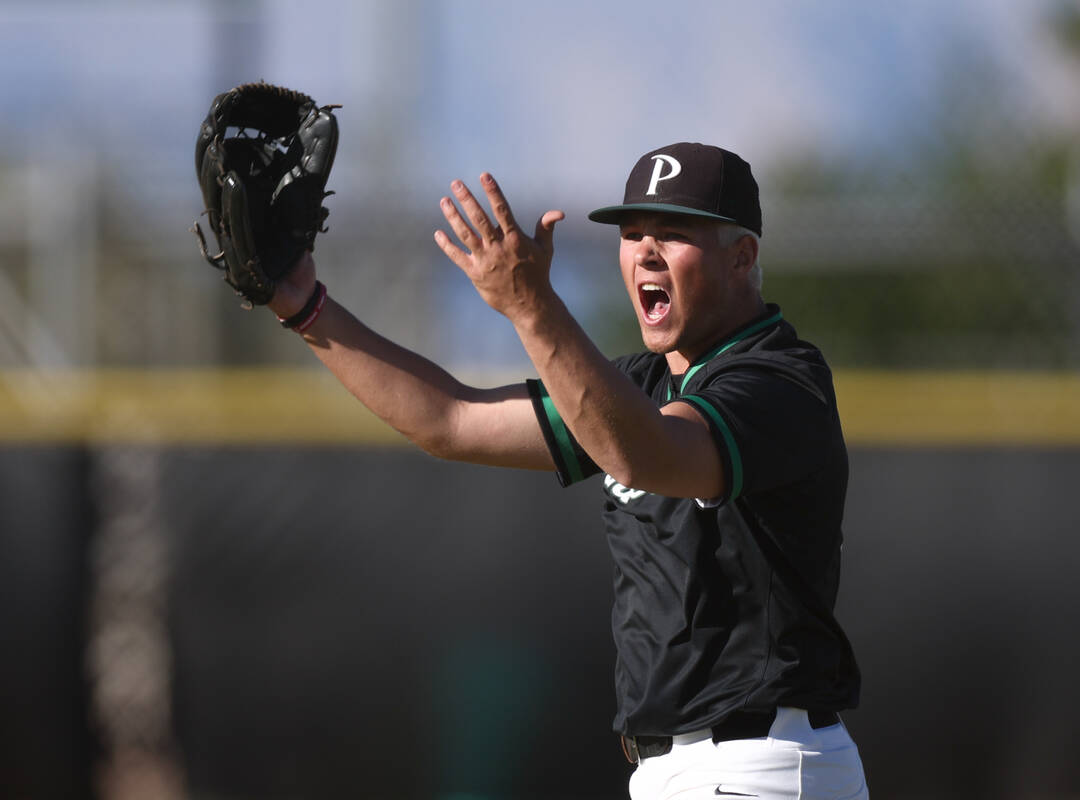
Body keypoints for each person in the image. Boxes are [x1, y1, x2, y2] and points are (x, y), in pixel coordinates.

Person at [267, 142, 868, 800]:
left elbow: (650, 453)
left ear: (742, 257)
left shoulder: (778, 379)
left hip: (758, 766)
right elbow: (450, 420)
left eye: (673, 233)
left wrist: (531, 308)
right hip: (687, 771)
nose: (645, 251)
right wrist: (303, 306)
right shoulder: (635, 386)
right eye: (633, 233)